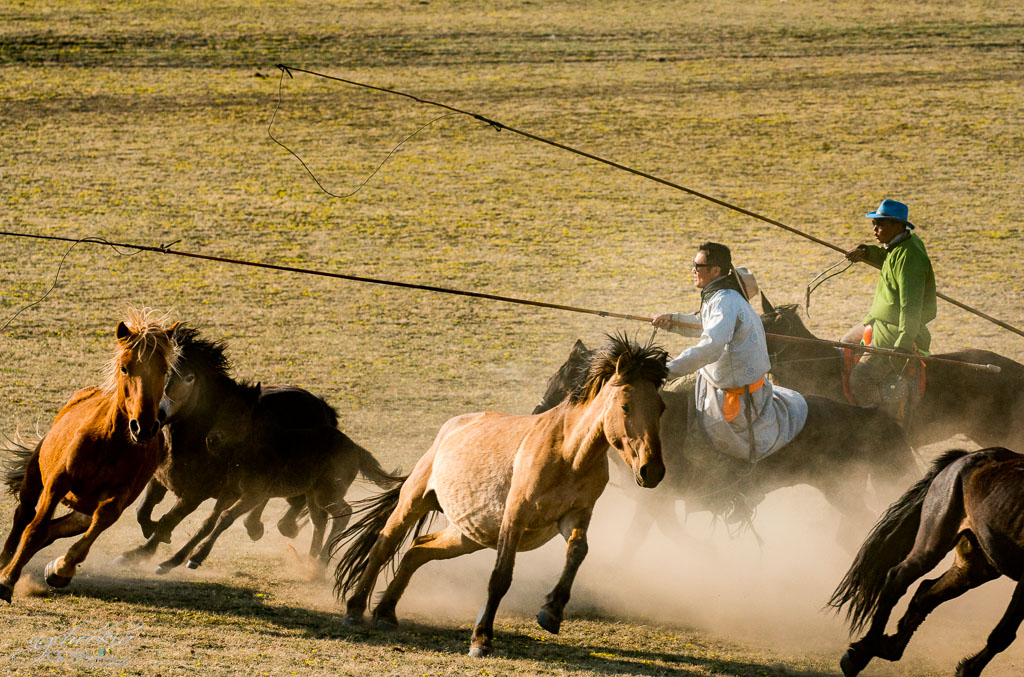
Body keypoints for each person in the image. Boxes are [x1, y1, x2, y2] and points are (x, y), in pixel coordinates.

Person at [651, 242, 808, 512]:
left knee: (697, 445)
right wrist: (672, 321)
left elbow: (711, 347)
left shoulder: (725, 300)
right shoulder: (721, 297)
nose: (693, 270)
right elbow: (703, 322)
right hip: (712, 379)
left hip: (732, 392)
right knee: (668, 394)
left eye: (697, 266)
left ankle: (735, 491)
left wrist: (667, 369)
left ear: (715, 270)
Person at [843, 199, 936, 415]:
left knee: (861, 378)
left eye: (880, 225)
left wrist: (903, 343)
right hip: (879, 320)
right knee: (845, 345)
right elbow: (887, 257)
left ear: (898, 225)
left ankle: (883, 426)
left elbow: (910, 306)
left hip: (896, 329)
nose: (875, 230)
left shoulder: (910, 258)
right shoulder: (899, 246)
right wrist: (866, 252)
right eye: (874, 224)